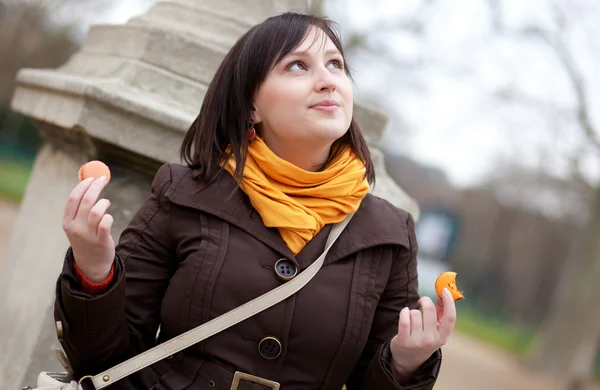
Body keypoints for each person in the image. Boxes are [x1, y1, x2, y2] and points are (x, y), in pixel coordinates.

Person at [55, 12, 456, 390]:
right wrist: (95, 271)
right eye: (297, 65)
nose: (328, 80)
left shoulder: (389, 232)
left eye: (336, 65)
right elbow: (102, 360)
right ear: (251, 104)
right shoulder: (184, 193)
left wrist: (405, 360)